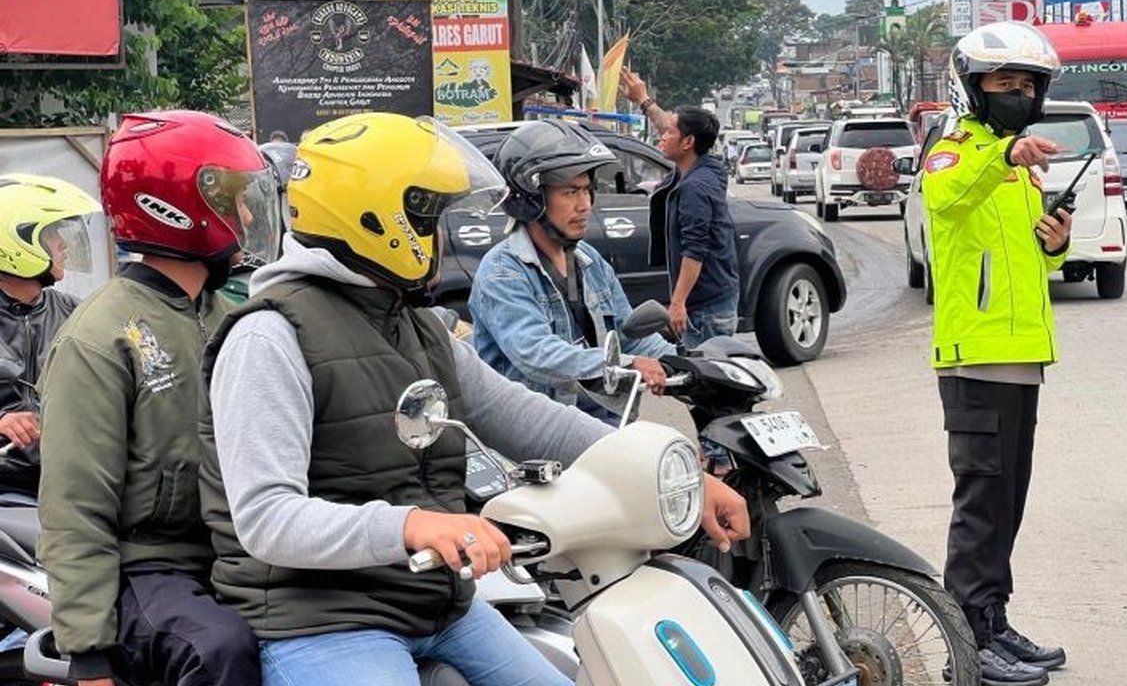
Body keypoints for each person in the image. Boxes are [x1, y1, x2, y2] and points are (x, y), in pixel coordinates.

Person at [200, 112, 750, 686]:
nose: (441, 235)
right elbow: (266, 519)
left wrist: (674, 474)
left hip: (436, 602)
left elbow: (529, 418)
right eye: (429, 216)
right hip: (323, 618)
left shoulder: (417, 327)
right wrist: (414, 526)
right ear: (375, 218)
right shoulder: (269, 336)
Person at [36, 110, 277, 686]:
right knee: (219, 649)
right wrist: (89, 651)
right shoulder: (101, 337)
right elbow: (75, 508)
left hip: (232, 553)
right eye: (234, 199)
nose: (246, 214)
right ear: (177, 206)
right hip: (147, 564)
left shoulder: (231, 316)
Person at [921, 21, 1071, 686]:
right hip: (975, 357)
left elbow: (1023, 259)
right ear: (974, 88)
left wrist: (1055, 242)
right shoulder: (956, 151)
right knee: (981, 505)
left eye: (1026, 85)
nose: (1016, 93)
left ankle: (994, 620)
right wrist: (1004, 158)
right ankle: (969, 640)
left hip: (1021, 355)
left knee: (1008, 502)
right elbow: (948, 200)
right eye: (1003, 83)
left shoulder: (1017, 169)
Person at [469, 120, 674, 425]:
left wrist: (686, 361)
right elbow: (536, 353)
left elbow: (629, 336)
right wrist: (632, 364)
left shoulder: (589, 261)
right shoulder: (502, 272)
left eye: (588, 191)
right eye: (570, 192)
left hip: (604, 421)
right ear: (531, 197)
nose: (585, 205)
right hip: (536, 435)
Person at [620, 67, 740, 350]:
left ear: (688, 143)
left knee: (708, 388)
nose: (663, 136)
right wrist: (644, 100)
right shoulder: (703, 166)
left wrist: (678, 303)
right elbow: (669, 128)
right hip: (715, 299)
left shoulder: (694, 189)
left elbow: (694, 249)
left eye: (671, 133)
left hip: (705, 309)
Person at [0, 175, 100, 501]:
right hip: (8, 487)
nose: (63, 243)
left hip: (70, 483)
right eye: (51, 233)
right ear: (16, 240)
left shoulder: (77, 314)